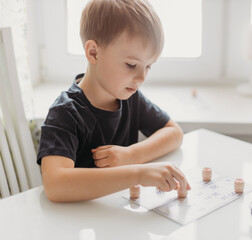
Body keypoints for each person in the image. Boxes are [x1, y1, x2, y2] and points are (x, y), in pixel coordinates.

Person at [37, 0, 190, 202]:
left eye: (148, 66)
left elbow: (174, 133)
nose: (141, 77)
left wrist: (131, 155)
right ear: (93, 53)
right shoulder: (65, 113)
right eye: (131, 64)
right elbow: (56, 185)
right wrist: (137, 174)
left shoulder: (130, 98)